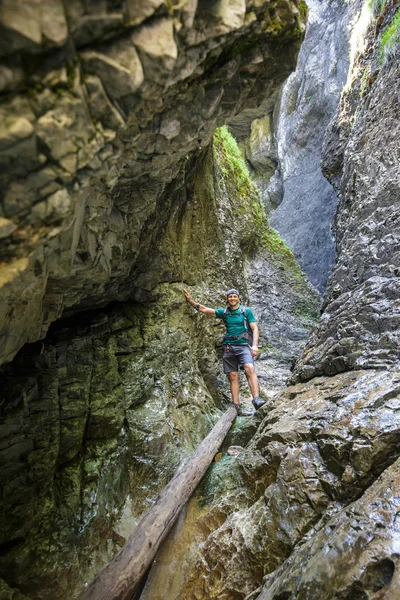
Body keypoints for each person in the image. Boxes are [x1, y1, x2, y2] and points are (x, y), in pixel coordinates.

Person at [184, 288, 266, 415]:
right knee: (233, 376)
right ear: (227, 299)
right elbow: (205, 310)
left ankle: (256, 399)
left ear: (238, 298)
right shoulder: (225, 312)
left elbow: (255, 329)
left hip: (243, 346)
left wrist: (255, 345)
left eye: (234, 296)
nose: (232, 298)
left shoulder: (246, 311)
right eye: (230, 297)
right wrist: (191, 301)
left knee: (249, 368)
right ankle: (236, 407)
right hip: (228, 347)